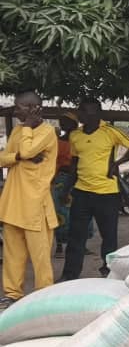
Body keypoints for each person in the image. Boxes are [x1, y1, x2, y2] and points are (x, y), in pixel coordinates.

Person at [61, 98, 129, 280]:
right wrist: (66, 189)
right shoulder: (76, 135)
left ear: (96, 113)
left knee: (109, 237)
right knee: (76, 237)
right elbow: (74, 164)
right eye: (80, 111)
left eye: (84, 111)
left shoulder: (110, 132)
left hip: (107, 193)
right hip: (81, 192)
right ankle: (69, 275)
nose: (81, 115)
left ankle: (108, 273)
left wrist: (118, 163)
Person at [0, 92, 58, 309]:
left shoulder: (47, 132)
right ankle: (12, 293)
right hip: (12, 203)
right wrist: (15, 157)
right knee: (13, 254)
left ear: (34, 109)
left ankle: (44, 295)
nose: (15, 112)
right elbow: (3, 158)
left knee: (40, 256)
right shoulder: (17, 130)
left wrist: (26, 134)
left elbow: (27, 150)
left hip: (35, 205)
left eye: (19, 108)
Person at [52, 113, 78, 257]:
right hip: (61, 180)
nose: (63, 125)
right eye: (61, 122)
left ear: (74, 124)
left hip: (80, 179)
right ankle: (60, 245)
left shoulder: (80, 139)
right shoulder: (57, 142)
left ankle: (79, 244)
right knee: (60, 212)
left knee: (79, 212)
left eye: (66, 122)